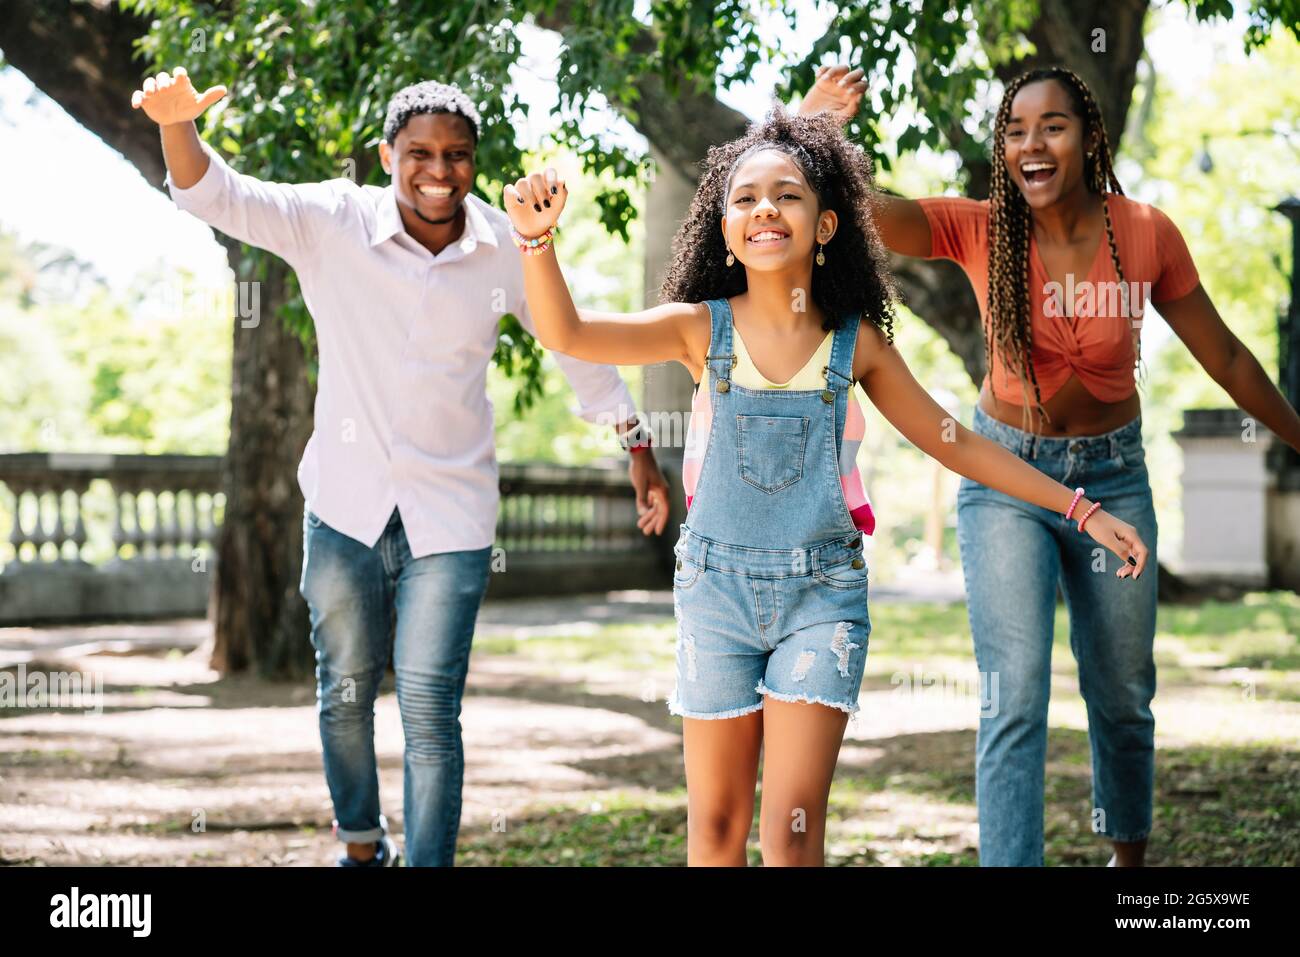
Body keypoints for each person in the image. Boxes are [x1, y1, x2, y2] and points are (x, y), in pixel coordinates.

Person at [500, 105, 1150, 866]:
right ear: (724, 228)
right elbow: (567, 333)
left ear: (826, 225)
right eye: (743, 198)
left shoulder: (857, 344)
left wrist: (1078, 507)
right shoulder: (695, 328)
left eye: (788, 194)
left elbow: (955, 442)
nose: (764, 208)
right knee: (713, 828)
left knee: (794, 825)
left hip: (822, 600)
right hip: (714, 596)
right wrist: (535, 240)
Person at [130, 69, 671, 866]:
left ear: (475, 162)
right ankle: (359, 844)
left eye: (458, 155)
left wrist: (637, 447)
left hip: (450, 515)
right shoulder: (331, 220)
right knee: (346, 690)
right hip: (344, 506)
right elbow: (221, 195)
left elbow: (573, 342)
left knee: (429, 707)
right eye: (420, 152)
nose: (440, 171)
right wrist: (178, 126)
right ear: (388, 155)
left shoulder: (504, 246)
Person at [800, 64, 1300, 866]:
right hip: (1005, 477)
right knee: (1013, 694)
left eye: (1052, 126)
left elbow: (1230, 357)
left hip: (1114, 473)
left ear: (1091, 137)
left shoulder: (1146, 233)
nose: (1030, 143)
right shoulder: (980, 226)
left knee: (1124, 692)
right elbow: (853, 213)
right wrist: (816, 129)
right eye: (1014, 130)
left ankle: (1127, 860)